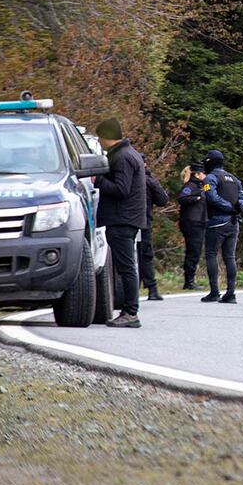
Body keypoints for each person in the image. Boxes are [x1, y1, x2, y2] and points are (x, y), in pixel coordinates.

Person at [93, 118, 146, 328]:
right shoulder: (129, 153)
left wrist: (98, 180)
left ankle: (131, 312)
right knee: (126, 267)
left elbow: (121, 189)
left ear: (106, 137)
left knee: (126, 268)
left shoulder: (122, 157)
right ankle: (129, 311)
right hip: (128, 218)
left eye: (100, 138)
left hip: (122, 218)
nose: (100, 141)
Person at [202, 150, 243, 304]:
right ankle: (231, 293)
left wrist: (228, 207)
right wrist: (237, 208)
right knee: (230, 257)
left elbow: (211, 197)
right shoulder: (234, 179)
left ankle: (214, 291)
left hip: (217, 221)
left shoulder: (211, 177)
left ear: (209, 162)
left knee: (211, 254)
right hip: (234, 222)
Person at [138, 154, 170, 301]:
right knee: (146, 255)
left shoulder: (121, 176)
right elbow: (163, 199)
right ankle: (152, 288)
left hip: (123, 221)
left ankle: (129, 290)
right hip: (143, 222)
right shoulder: (148, 180)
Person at [177, 163, 208, 290]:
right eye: (202, 173)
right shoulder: (191, 185)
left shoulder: (200, 186)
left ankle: (190, 280)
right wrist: (197, 198)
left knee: (195, 251)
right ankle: (189, 281)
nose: (204, 175)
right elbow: (183, 198)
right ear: (197, 174)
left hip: (198, 222)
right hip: (192, 222)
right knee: (193, 252)